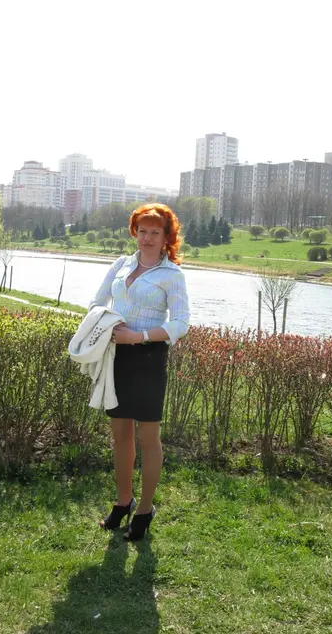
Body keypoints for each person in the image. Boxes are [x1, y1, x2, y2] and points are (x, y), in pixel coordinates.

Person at [88, 203, 190, 541]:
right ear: (135, 232)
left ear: (166, 237)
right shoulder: (121, 264)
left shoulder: (172, 275)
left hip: (148, 359)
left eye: (154, 232)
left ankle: (145, 509)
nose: (147, 238)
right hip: (116, 356)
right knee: (120, 435)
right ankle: (123, 502)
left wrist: (139, 336)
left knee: (148, 438)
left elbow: (180, 323)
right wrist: (107, 324)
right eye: (142, 231)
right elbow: (97, 302)